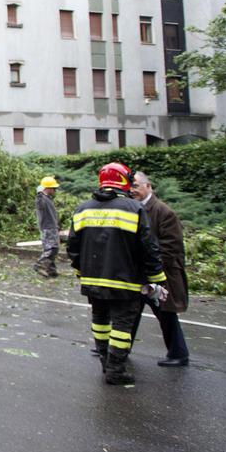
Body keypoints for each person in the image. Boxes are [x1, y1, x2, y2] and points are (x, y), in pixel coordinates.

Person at [66, 162, 168, 386]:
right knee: (122, 324)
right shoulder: (134, 208)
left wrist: (80, 271)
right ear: (123, 181)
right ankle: (116, 369)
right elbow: (148, 246)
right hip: (125, 280)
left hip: (93, 279)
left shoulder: (83, 209)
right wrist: (157, 277)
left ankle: (105, 361)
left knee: (100, 320)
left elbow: (73, 246)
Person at [131, 171, 190, 367]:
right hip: (140, 275)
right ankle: (119, 351)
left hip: (158, 276)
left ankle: (178, 354)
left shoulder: (163, 212)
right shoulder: (135, 209)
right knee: (130, 313)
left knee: (165, 315)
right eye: (130, 187)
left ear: (148, 186)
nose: (133, 190)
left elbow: (171, 247)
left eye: (136, 186)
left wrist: (151, 267)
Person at [34, 176, 62, 278]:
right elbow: (39, 203)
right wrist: (39, 193)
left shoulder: (48, 199)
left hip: (52, 227)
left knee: (52, 249)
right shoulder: (41, 199)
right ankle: (39, 264)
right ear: (48, 188)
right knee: (52, 249)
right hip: (47, 227)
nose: (55, 190)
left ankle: (51, 270)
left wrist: (58, 226)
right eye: (54, 188)